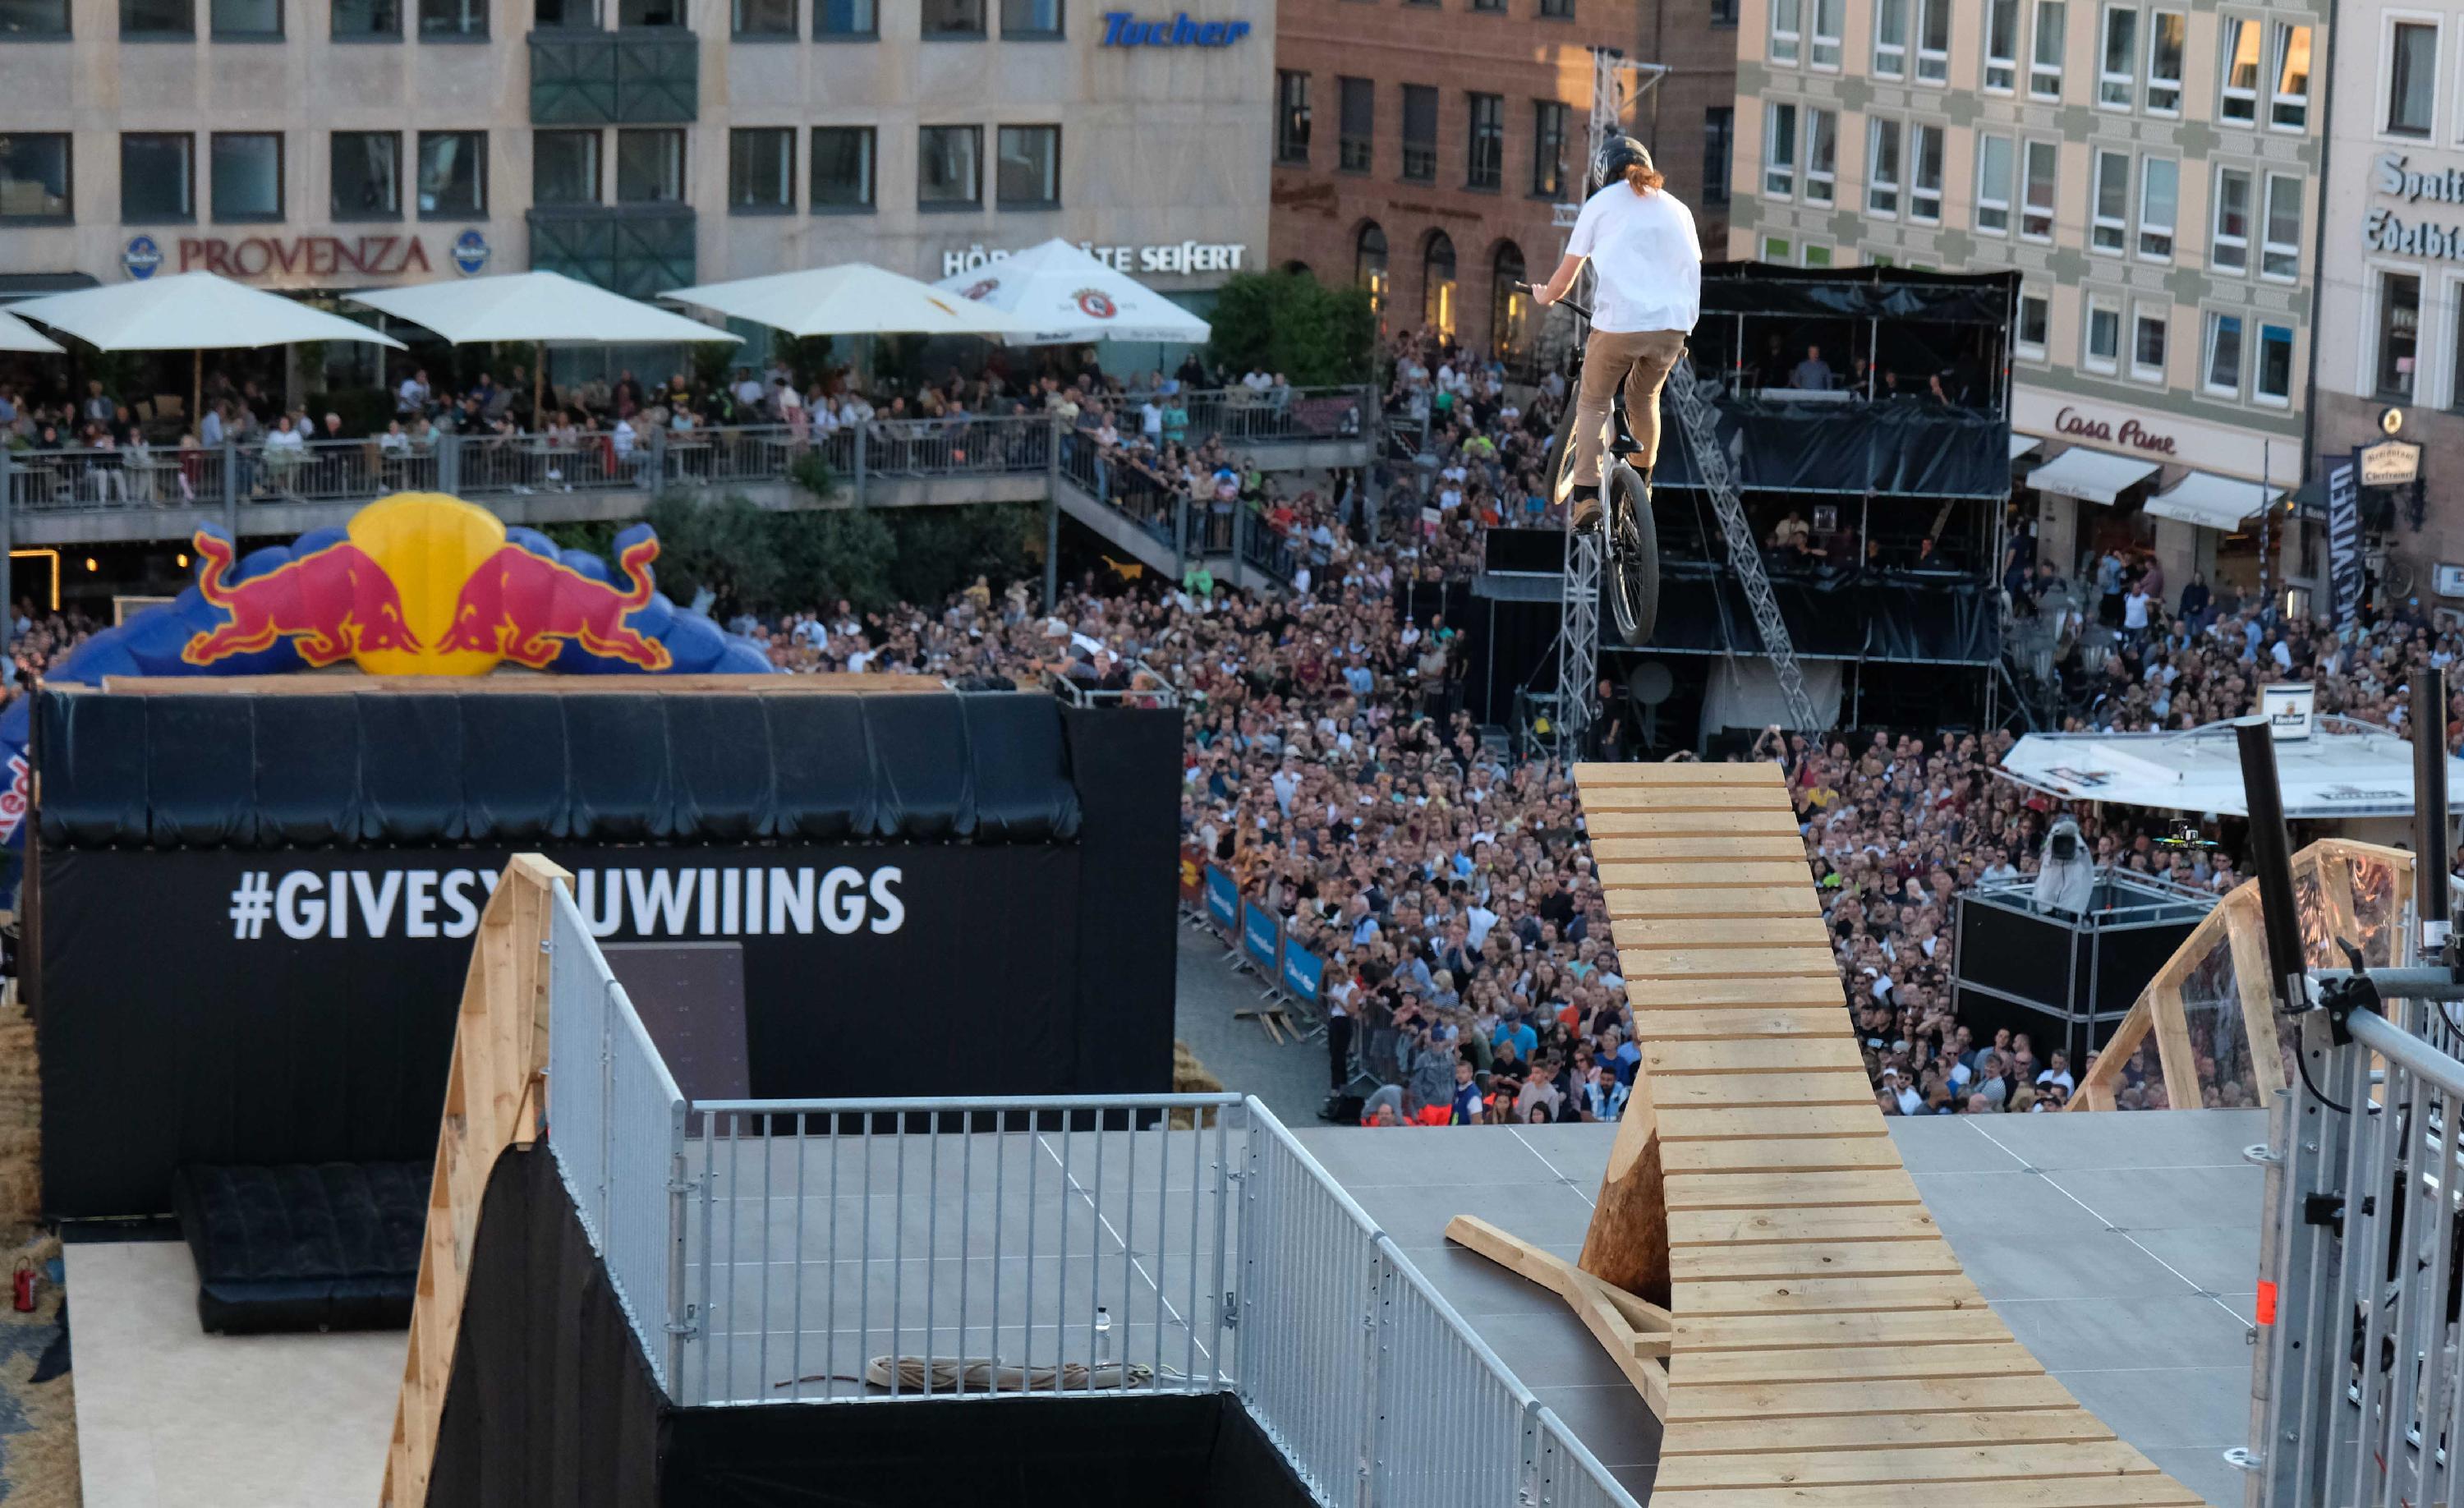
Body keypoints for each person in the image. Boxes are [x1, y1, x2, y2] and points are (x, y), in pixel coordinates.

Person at [1533, 136, 1702, 533]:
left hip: (1621, 324)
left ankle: (1587, 497)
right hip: (1673, 326)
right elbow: (1692, 267)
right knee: (1645, 397)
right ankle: (1642, 484)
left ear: (1601, 175)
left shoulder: (1600, 205)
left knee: (1593, 401)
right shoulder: (1678, 209)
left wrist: (1544, 296)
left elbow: (1565, 277)